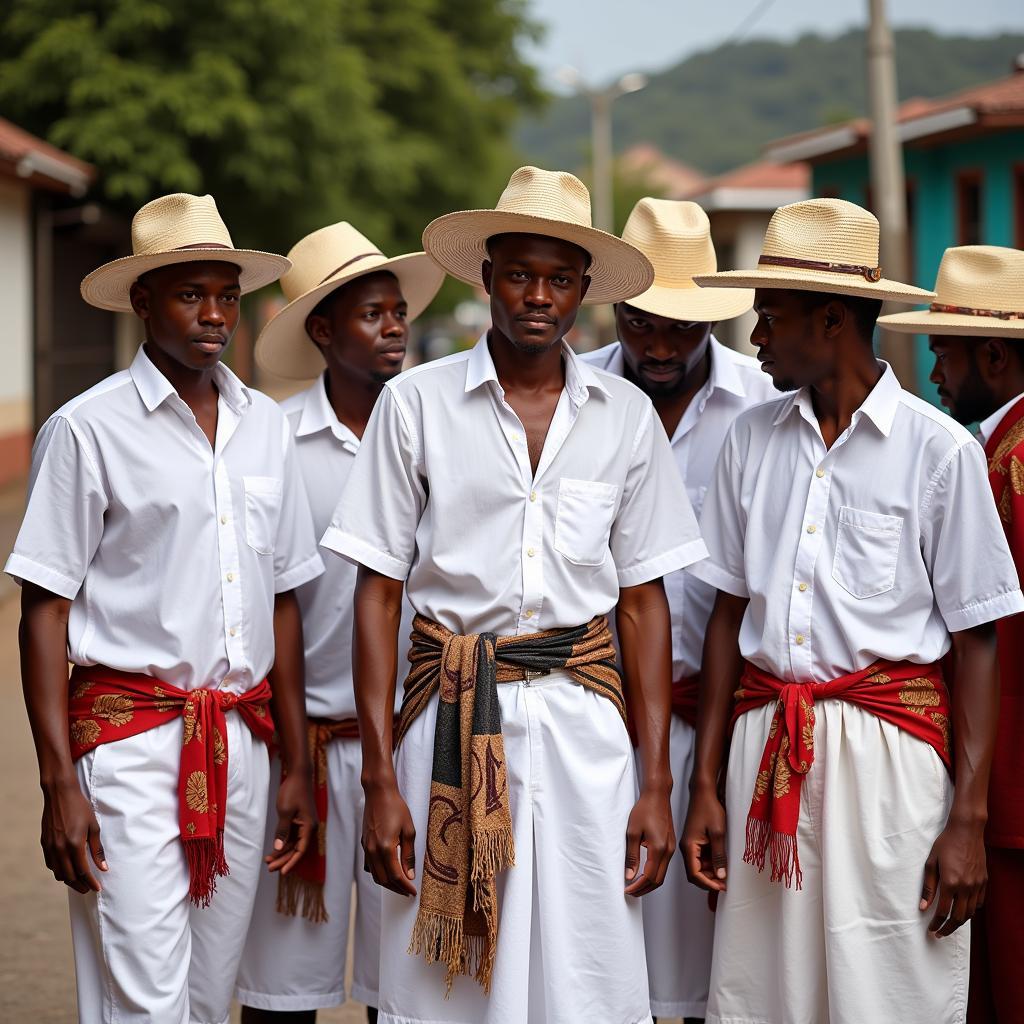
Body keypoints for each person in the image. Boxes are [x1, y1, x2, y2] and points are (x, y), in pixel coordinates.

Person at [320, 165, 708, 1024]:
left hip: (585, 734)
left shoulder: (625, 416)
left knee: (587, 978)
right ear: (486, 276)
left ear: (583, 294)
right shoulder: (414, 406)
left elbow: (645, 604)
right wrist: (380, 778)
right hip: (446, 728)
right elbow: (377, 595)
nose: (540, 296)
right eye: (522, 274)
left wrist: (654, 784)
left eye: (561, 279)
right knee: (449, 988)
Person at [679, 199, 1024, 1024]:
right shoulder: (750, 441)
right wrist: (705, 785)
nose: (755, 338)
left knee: (889, 984)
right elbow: (728, 616)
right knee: (766, 992)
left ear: (832, 318)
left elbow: (979, 642)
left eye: (771, 317)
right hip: (765, 747)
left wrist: (968, 822)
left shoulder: (939, 450)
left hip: (889, 759)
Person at [6, 193, 324, 1023]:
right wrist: (56, 784)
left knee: (207, 996)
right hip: (129, 746)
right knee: (143, 999)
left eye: (227, 294)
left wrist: (294, 762)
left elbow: (285, 600)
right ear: (143, 301)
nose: (214, 313)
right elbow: (43, 608)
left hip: (242, 747)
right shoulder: (86, 430)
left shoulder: (266, 428)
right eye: (190, 294)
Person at [236, 222, 444, 1023]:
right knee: (281, 990)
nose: (394, 326)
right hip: (309, 752)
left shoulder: (435, 427)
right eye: (370, 314)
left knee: (410, 989)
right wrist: (292, 757)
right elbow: (267, 601)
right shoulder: (273, 441)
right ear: (322, 330)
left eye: (397, 310)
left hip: (417, 747)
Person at [581, 197, 773, 1023]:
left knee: (708, 970)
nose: (657, 347)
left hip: (724, 729)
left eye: (678, 329)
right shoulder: (573, 394)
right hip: (593, 722)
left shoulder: (766, 405)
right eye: (638, 323)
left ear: (711, 319)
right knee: (596, 957)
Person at [878, 244, 1024, 1024]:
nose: (934, 374)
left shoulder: (1005, 460)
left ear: (993, 355)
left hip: (1008, 787)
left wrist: (971, 807)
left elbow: (993, 634)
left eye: (944, 352)